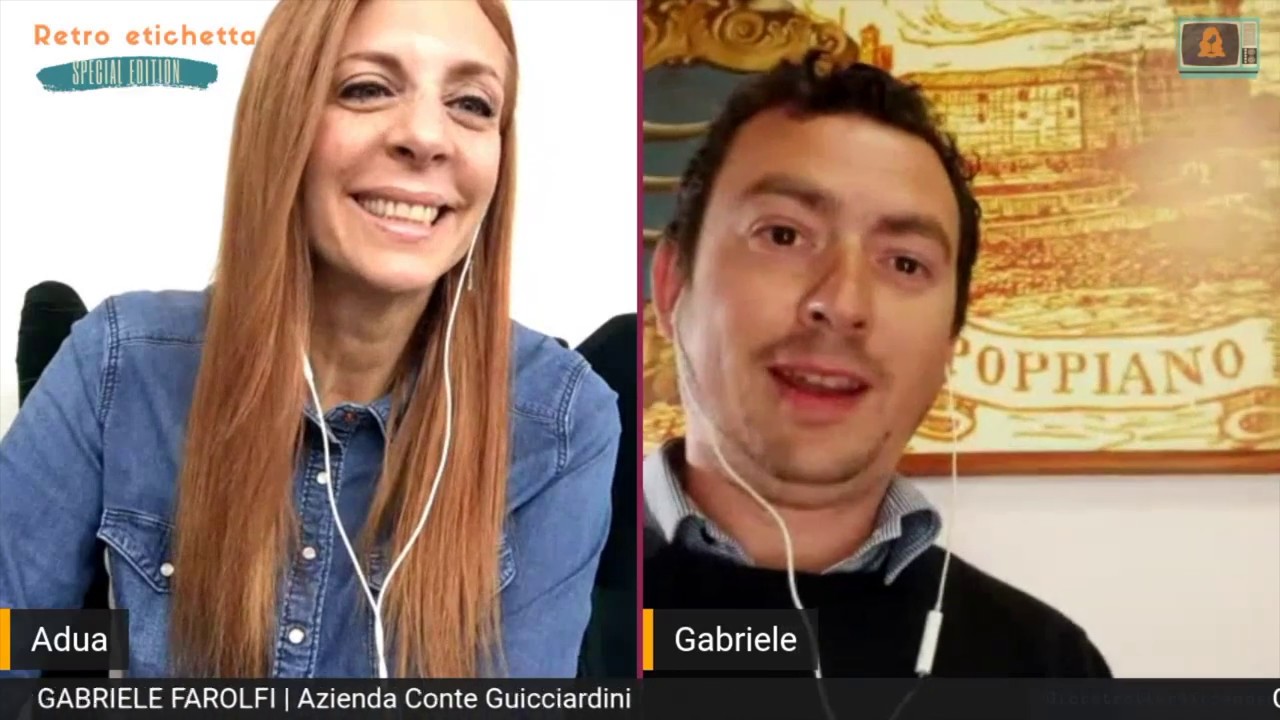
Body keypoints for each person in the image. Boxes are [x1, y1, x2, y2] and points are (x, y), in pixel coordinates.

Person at [0, 0, 620, 679]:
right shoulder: (118, 363)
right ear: (282, 119)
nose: (426, 136)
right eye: (367, 89)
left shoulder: (564, 421)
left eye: (471, 104)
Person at [643, 52, 1111, 678]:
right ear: (672, 284)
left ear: (950, 340)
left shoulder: (1048, 667)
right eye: (783, 235)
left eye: (905, 263)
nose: (842, 304)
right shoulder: (542, 593)